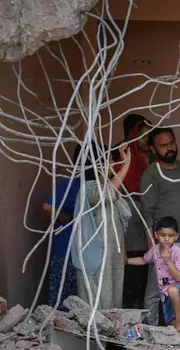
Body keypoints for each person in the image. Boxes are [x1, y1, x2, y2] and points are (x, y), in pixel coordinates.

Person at [140, 127, 180, 326]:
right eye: (163, 145)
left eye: (172, 143)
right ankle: (150, 338)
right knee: (154, 293)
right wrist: (152, 246)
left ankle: (174, 333)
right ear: (153, 149)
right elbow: (147, 212)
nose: (170, 148)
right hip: (164, 244)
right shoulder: (151, 174)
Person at [71, 143, 132, 309]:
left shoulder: (104, 186)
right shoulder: (88, 188)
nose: (114, 162)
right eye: (110, 159)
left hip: (112, 257)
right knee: (99, 310)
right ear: (99, 163)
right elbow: (104, 194)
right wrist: (125, 166)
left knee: (113, 306)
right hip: (97, 261)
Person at [114, 114, 153, 309]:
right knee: (131, 271)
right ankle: (130, 313)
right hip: (129, 222)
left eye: (150, 135)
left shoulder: (154, 157)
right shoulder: (121, 158)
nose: (147, 139)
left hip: (149, 221)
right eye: (143, 135)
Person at [128, 217, 180, 336]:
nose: (166, 239)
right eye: (163, 235)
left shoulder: (178, 253)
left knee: (173, 290)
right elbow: (143, 259)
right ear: (156, 234)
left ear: (176, 236)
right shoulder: (155, 250)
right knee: (170, 327)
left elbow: (178, 277)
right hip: (165, 291)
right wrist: (127, 261)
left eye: (171, 236)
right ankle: (174, 334)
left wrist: (169, 261)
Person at [42, 145, 82, 310]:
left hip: (80, 252)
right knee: (64, 303)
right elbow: (47, 206)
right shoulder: (74, 183)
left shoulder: (94, 185)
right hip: (66, 250)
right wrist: (69, 219)